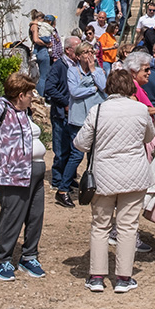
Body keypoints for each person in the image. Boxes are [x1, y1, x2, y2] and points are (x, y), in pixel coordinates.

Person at [74, 69, 155, 292]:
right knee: (128, 227)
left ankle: (97, 276)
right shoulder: (140, 110)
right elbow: (149, 137)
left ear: (108, 87)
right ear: (130, 87)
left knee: (100, 226)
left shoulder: (97, 110)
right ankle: (123, 278)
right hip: (134, 175)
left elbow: (80, 143)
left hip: (103, 175)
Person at [0, 73, 47, 281]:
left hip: (35, 171)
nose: (33, 96)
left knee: (35, 216)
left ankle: (29, 256)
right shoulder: (1, 107)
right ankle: (3, 259)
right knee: (12, 215)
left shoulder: (24, 111)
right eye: (30, 93)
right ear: (20, 94)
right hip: (13, 173)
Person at [59, 43, 107, 203]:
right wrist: (93, 90)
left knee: (93, 155)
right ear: (78, 56)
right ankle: (62, 189)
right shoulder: (73, 71)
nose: (89, 55)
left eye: (91, 52)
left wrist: (93, 70)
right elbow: (74, 92)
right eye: (85, 52)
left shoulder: (99, 71)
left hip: (96, 119)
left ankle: (89, 186)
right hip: (78, 119)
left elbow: (105, 88)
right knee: (76, 154)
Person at [44, 36, 80, 203]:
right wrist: (65, 103)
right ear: (68, 50)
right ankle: (58, 180)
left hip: (73, 115)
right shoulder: (59, 66)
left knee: (73, 147)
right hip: (60, 114)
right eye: (77, 49)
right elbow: (49, 88)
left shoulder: (77, 66)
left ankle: (69, 177)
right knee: (60, 148)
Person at [29, 9, 52, 97]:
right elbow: (36, 39)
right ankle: (41, 96)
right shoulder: (35, 26)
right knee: (43, 76)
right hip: (42, 51)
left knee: (41, 76)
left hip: (39, 51)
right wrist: (46, 44)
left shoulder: (33, 25)